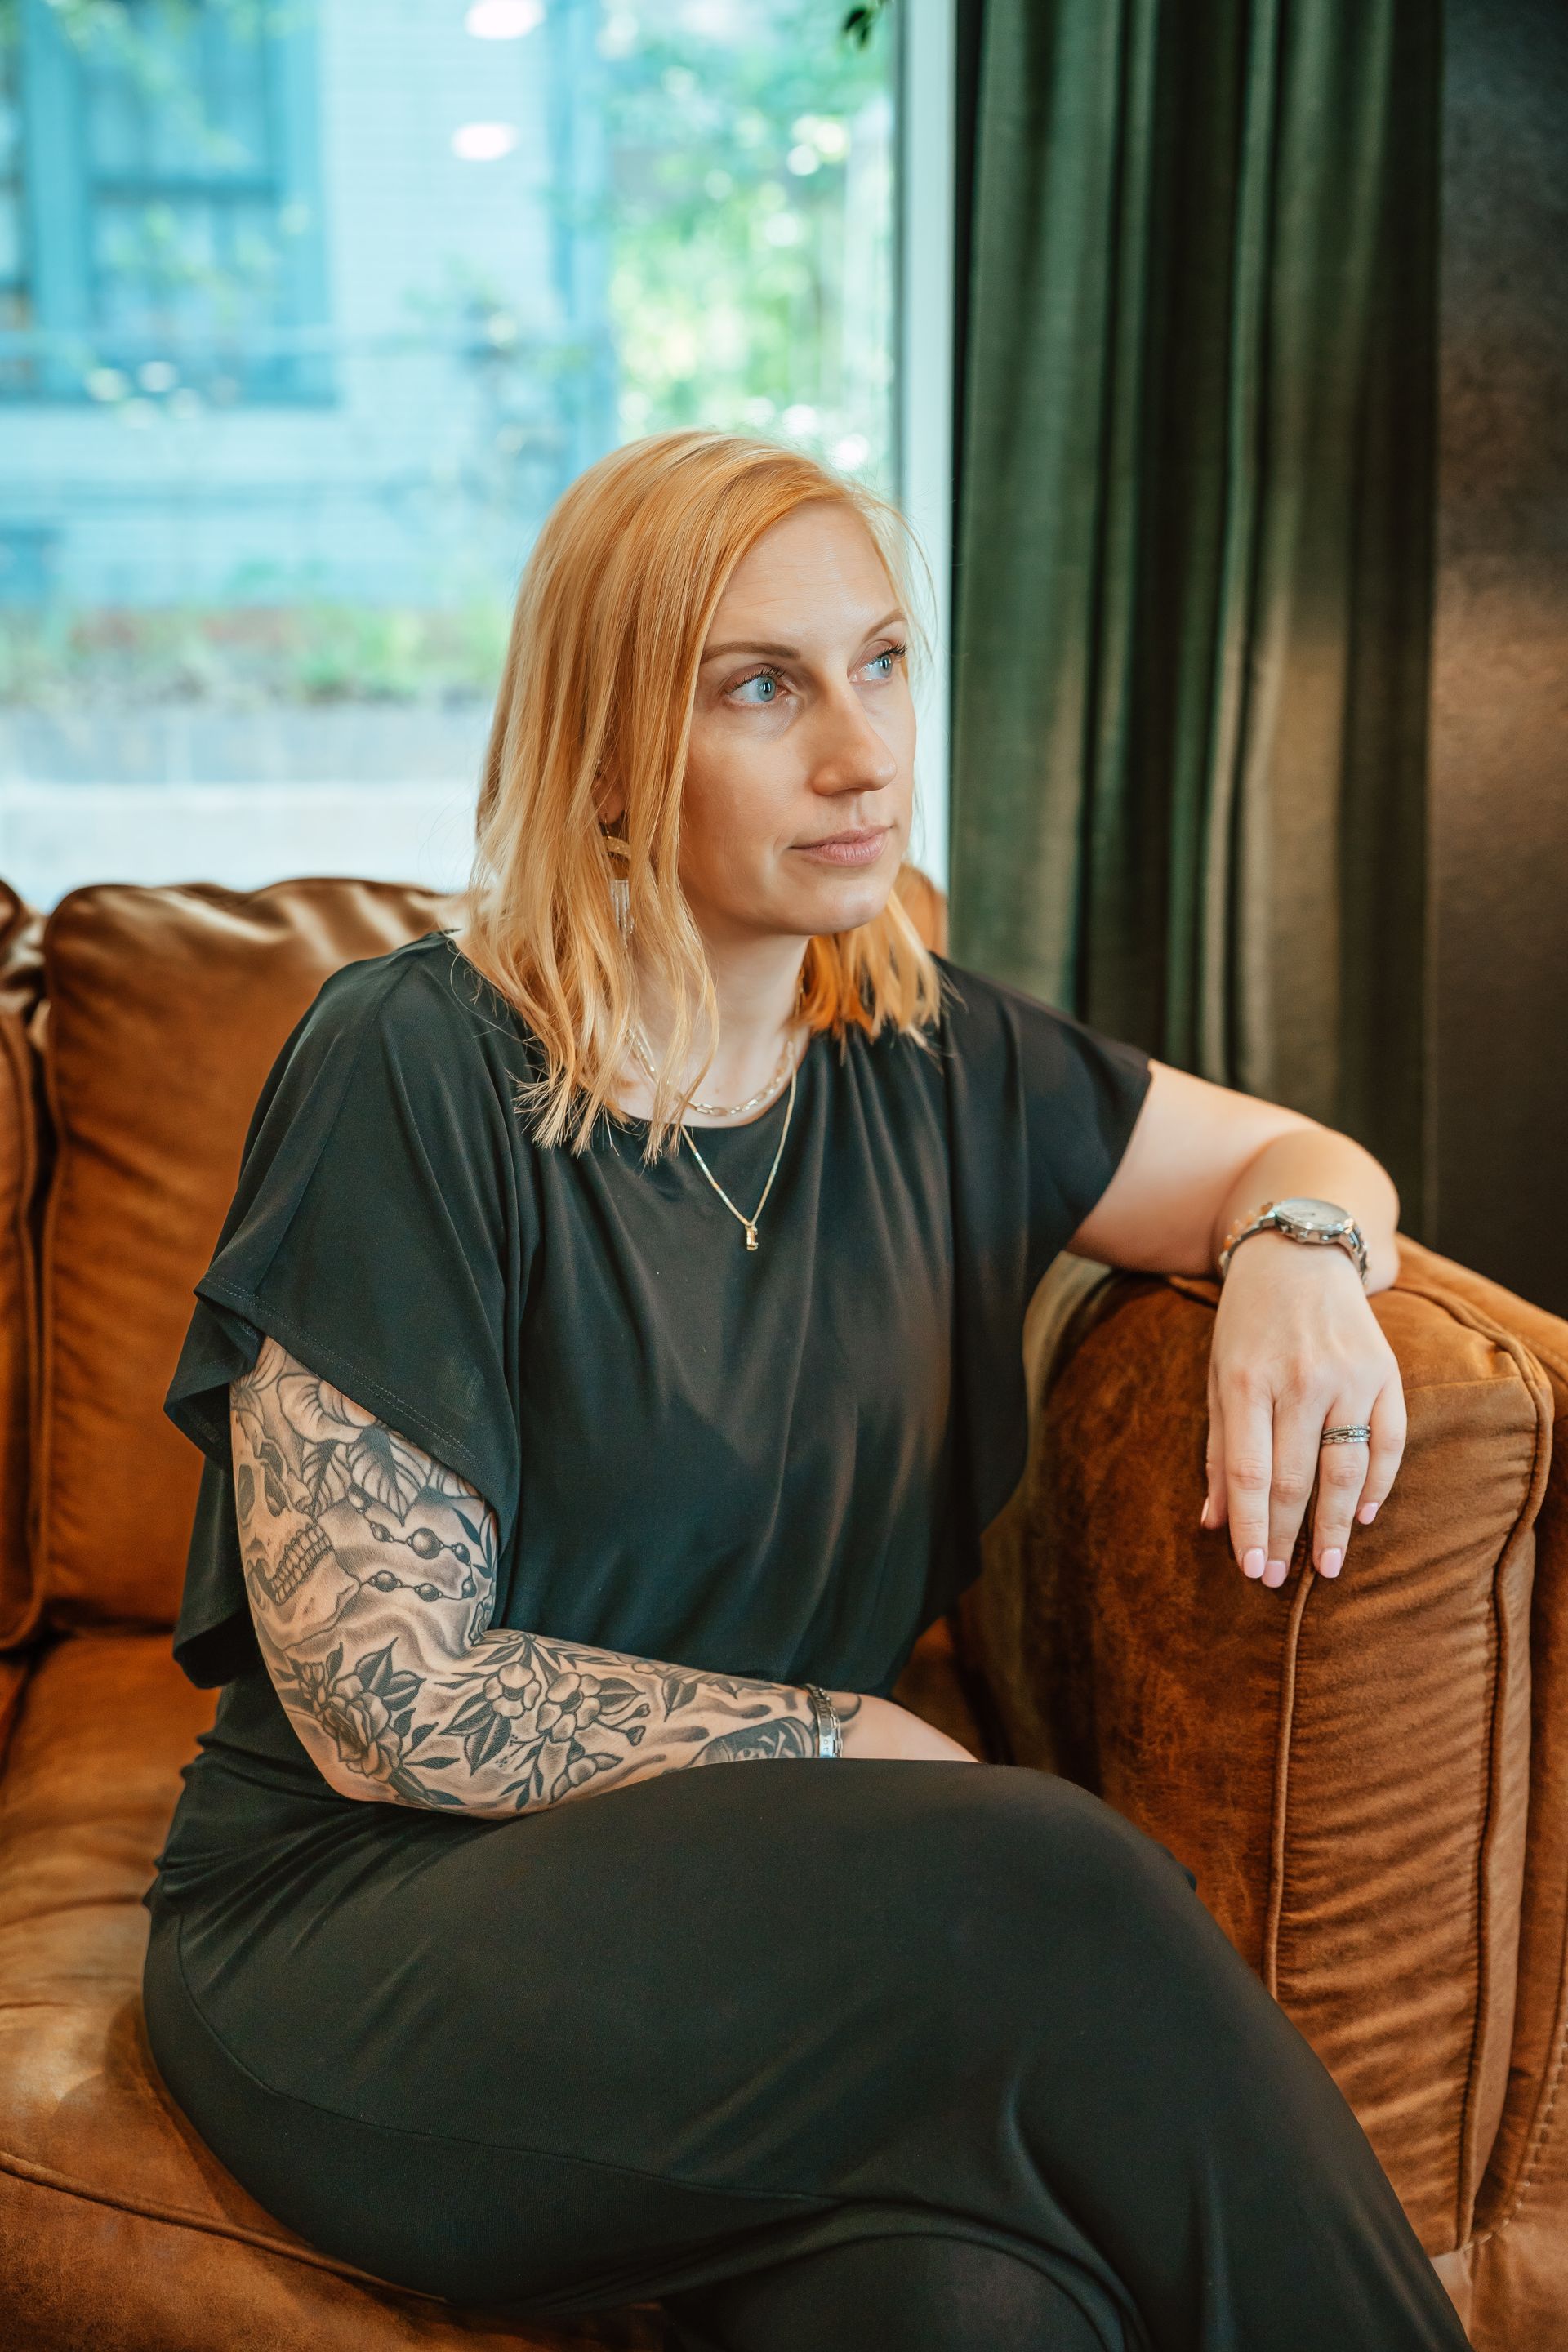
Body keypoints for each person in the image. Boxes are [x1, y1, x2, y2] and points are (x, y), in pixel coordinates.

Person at [140, 429, 1468, 2352]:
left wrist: (1299, 1260)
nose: (862, 751)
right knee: (1054, 1881)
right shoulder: (415, 1062)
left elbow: (1302, 1159)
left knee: (970, 2310)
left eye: (885, 661)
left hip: (749, 1939)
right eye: (763, 687)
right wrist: (849, 1743)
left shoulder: (938, 1064)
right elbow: (387, 1705)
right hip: (373, 1935)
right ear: (604, 757)